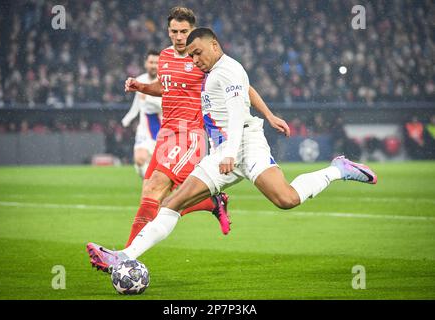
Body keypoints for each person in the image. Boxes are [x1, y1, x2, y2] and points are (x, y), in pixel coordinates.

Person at [87, 28, 378, 270]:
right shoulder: (213, 73)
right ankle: (123, 257)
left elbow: (238, 114)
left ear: (215, 45)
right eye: (191, 56)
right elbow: (246, 92)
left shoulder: (229, 70)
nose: (195, 59)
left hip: (245, 146)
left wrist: (229, 152)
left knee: (286, 199)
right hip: (221, 152)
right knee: (173, 203)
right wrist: (269, 114)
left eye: (198, 52)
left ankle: (337, 169)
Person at [87, 8, 290, 272]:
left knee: (156, 190)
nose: (179, 37)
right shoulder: (165, 56)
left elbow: (243, 86)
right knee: (155, 198)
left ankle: (122, 259)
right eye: (174, 32)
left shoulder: (202, 60)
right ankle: (211, 202)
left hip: (191, 133)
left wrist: (269, 114)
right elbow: (166, 86)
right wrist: (143, 87)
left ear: (192, 31)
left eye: (184, 32)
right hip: (166, 132)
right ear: (168, 32)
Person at [121, 50, 162, 179]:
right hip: (144, 128)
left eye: (156, 62)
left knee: (163, 167)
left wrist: (148, 98)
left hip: (163, 129)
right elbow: (137, 104)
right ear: (146, 63)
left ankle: (154, 186)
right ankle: (149, 183)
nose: (153, 65)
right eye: (151, 62)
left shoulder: (164, 81)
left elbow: (164, 105)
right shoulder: (140, 80)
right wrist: (127, 119)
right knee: (139, 159)